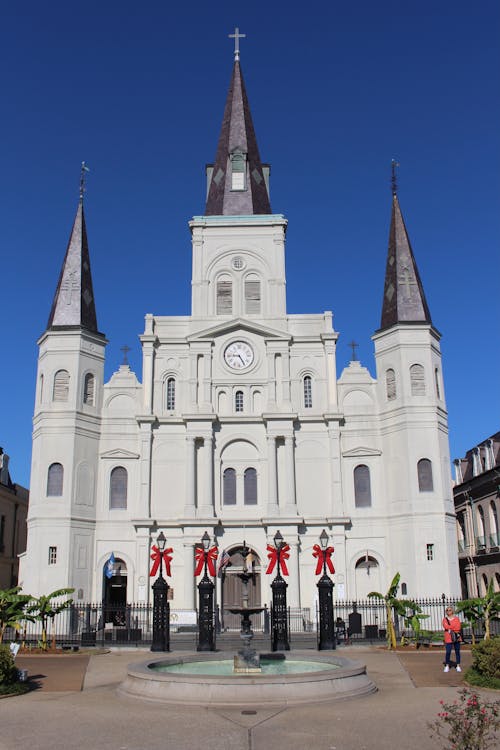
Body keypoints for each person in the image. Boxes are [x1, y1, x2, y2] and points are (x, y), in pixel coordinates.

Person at [442, 605, 462, 673]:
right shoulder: (445, 619)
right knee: (448, 652)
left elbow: (458, 627)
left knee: (457, 652)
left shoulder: (456, 619)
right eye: (447, 610)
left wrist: (450, 627)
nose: (448, 611)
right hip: (448, 638)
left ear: (452, 611)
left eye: (450, 610)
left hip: (456, 637)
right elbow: (445, 626)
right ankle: (447, 665)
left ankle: (458, 665)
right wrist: (452, 627)